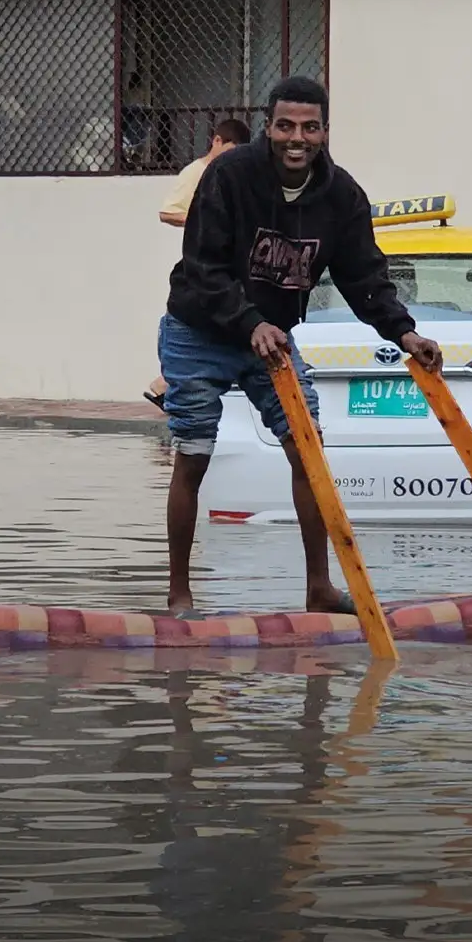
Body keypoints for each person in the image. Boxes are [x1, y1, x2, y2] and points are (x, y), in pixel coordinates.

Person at [156, 74, 443, 616]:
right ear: (269, 127)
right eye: (286, 125)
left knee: (306, 450)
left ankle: (319, 588)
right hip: (198, 330)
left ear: (325, 133)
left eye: (310, 128)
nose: (297, 138)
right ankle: (179, 593)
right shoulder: (230, 176)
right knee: (194, 453)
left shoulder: (341, 196)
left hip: (270, 342)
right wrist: (248, 321)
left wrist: (405, 332)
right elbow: (203, 266)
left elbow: (365, 278)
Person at [145, 117, 252, 409]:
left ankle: (166, 386)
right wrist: (204, 220)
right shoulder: (197, 172)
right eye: (228, 150)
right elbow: (167, 213)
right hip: (198, 265)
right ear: (216, 141)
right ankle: (166, 386)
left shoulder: (229, 174)